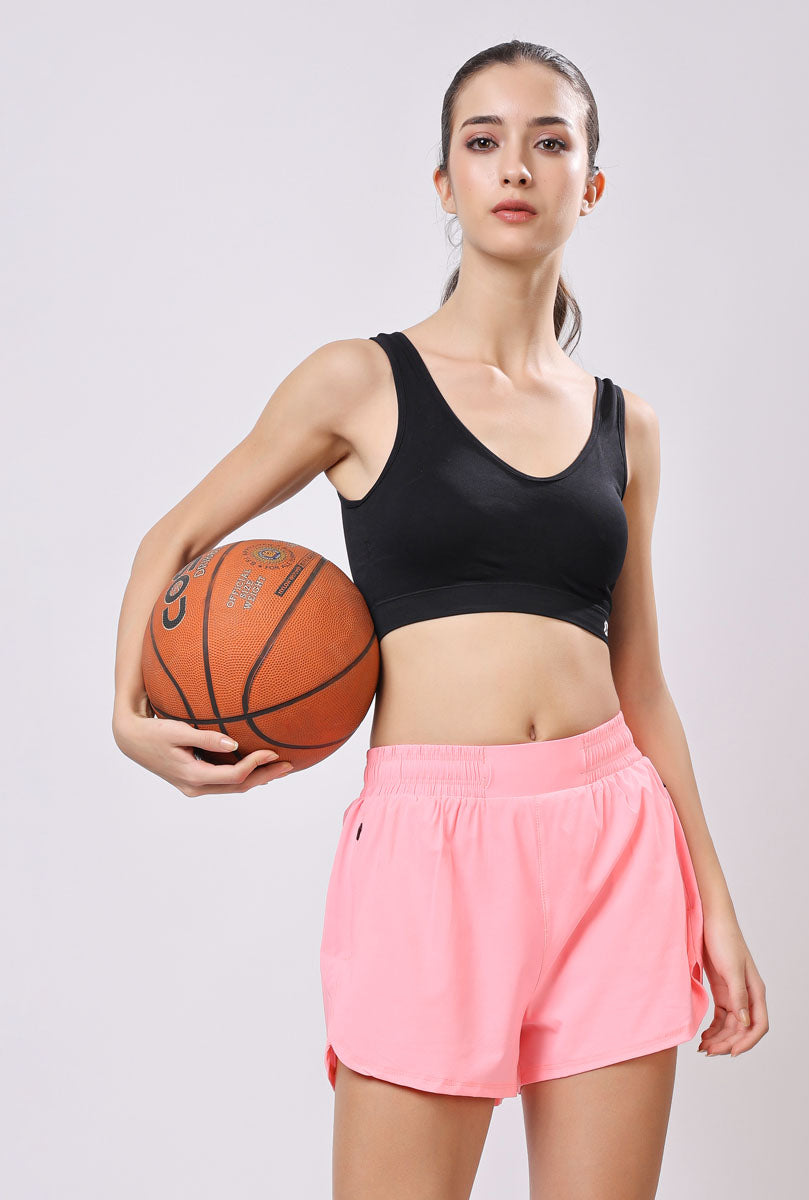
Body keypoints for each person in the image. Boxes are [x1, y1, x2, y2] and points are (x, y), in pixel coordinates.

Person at [112, 37, 768, 1200]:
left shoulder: (628, 426)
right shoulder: (358, 383)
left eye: (549, 141)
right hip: (431, 850)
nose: (515, 165)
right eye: (483, 140)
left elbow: (643, 684)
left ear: (590, 185)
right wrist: (128, 718)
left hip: (615, 843)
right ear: (445, 181)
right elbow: (171, 538)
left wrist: (713, 902)